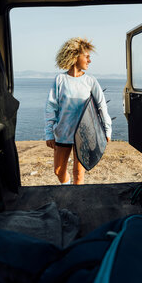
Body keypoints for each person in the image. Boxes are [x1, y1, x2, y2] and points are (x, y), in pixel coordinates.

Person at [45, 37, 112, 185]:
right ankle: (66, 187)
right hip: (63, 132)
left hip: (84, 134)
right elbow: (51, 107)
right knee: (58, 170)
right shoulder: (60, 80)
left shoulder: (91, 81)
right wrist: (49, 132)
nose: (89, 61)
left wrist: (107, 130)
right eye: (86, 57)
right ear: (75, 56)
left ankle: (76, 200)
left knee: (79, 173)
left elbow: (101, 106)